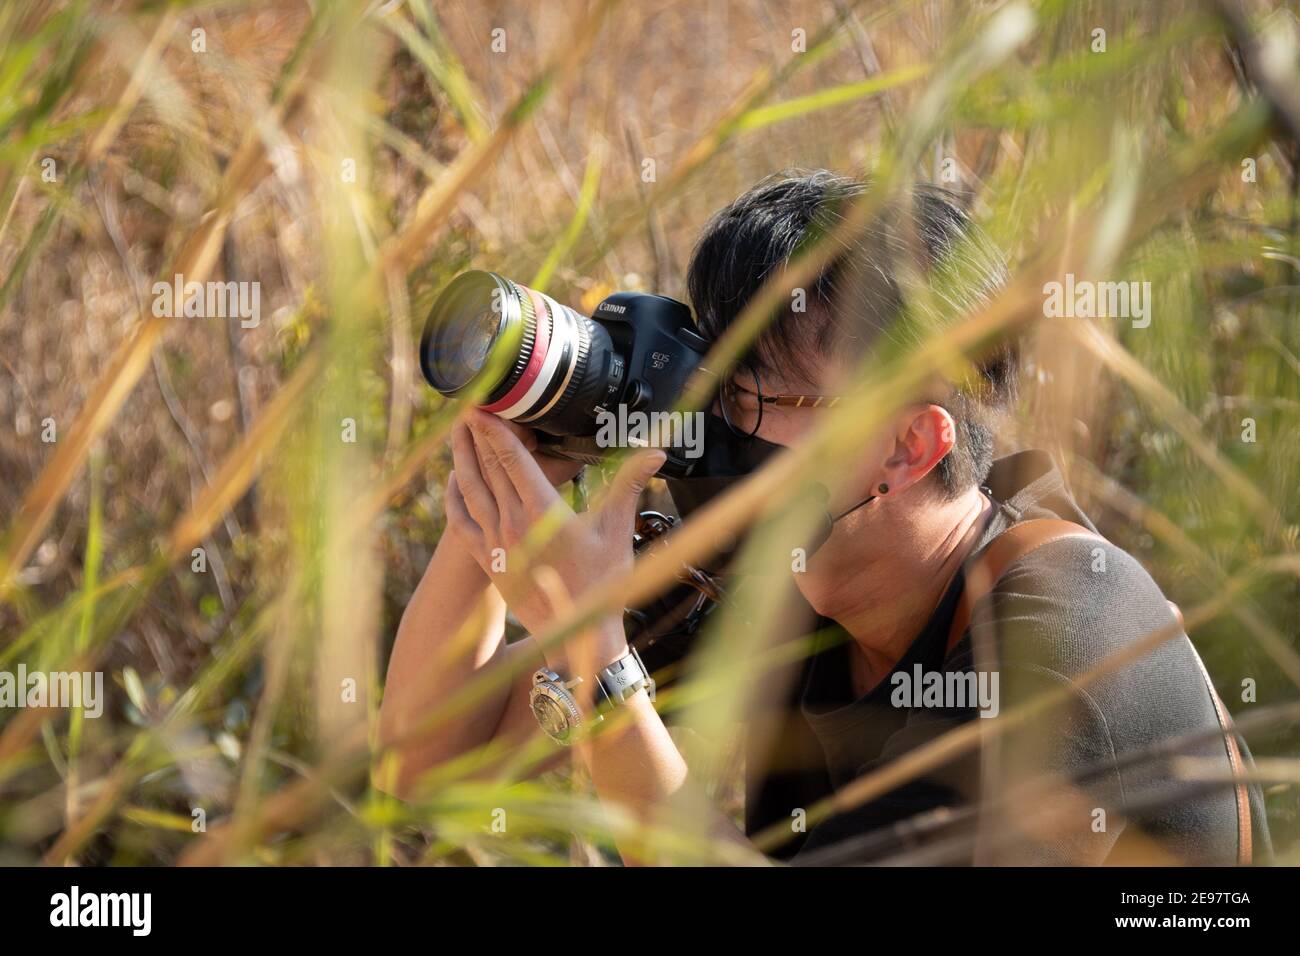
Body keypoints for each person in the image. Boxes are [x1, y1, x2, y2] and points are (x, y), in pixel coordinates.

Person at [379, 170, 1264, 865]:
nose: (716, 426)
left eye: (753, 398)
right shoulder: (793, 574)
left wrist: (601, 664)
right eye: (707, 383)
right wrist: (495, 506)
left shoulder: (1067, 634)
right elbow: (433, 769)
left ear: (910, 445)